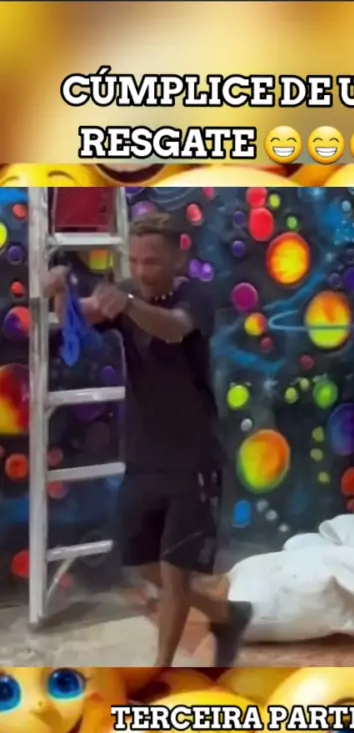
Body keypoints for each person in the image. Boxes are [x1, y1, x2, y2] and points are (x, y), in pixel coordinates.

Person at [45, 214, 252, 666]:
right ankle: (224, 613)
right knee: (141, 564)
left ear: (178, 256)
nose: (140, 271)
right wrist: (60, 292)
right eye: (135, 261)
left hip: (192, 457)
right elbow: (78, 321)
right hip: (143, 455)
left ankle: (162, 671)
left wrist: (128, 304)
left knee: (176, 573)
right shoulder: (129, 292)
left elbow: (173, 328)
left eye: (152, 262)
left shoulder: (196, 296)